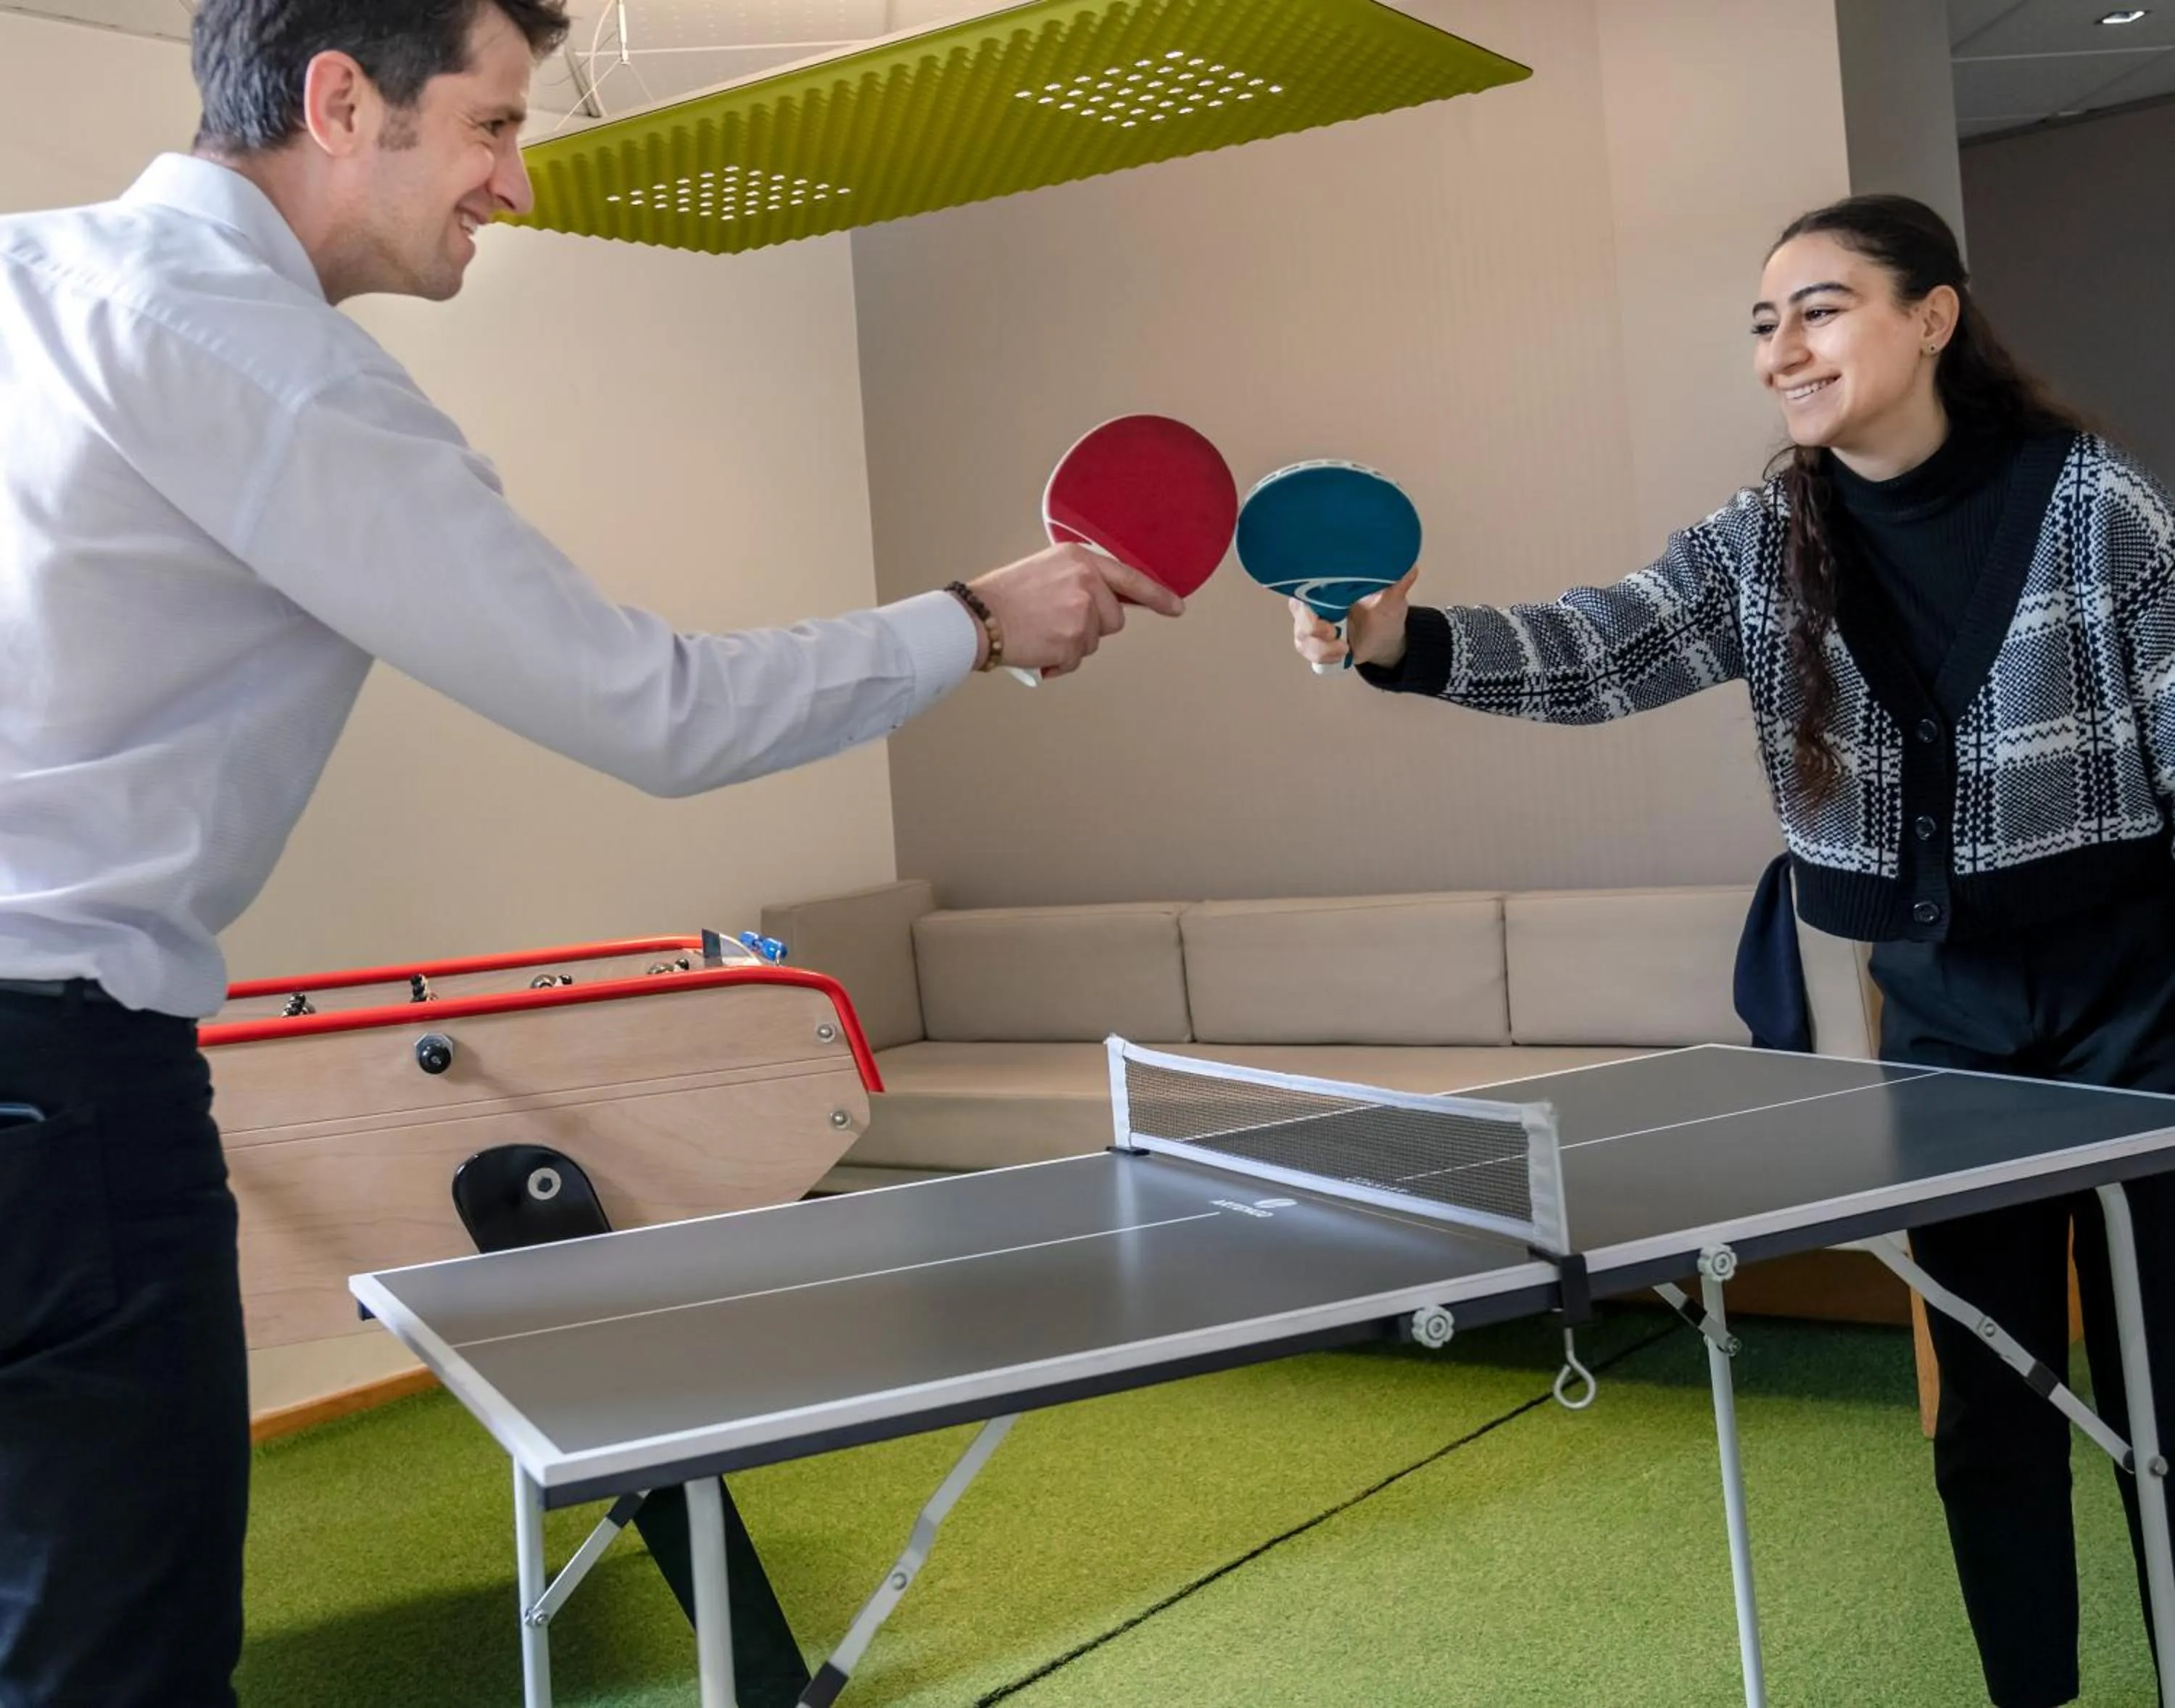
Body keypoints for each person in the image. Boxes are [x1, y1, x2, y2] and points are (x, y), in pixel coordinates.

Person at [0, 1, 1184, 1702]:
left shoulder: (26, 270)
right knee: (110, 1657)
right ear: (341, 100)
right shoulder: (275, 369)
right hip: (56, 1100)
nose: (521, 185)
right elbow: (664, 711)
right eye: (490, 126)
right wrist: (974, 620)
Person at [1293, 192, 2175, 1708]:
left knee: (2165, 1402)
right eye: (1765, 323)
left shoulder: (2095, 504)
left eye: (1820, 307)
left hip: (2143, 1002)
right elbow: (1598, 646)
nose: (1785, 347)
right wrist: (1401, 643)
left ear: (1933, 317)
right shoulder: (1767, 541)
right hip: (1947, 1023)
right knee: (1994, 1405)